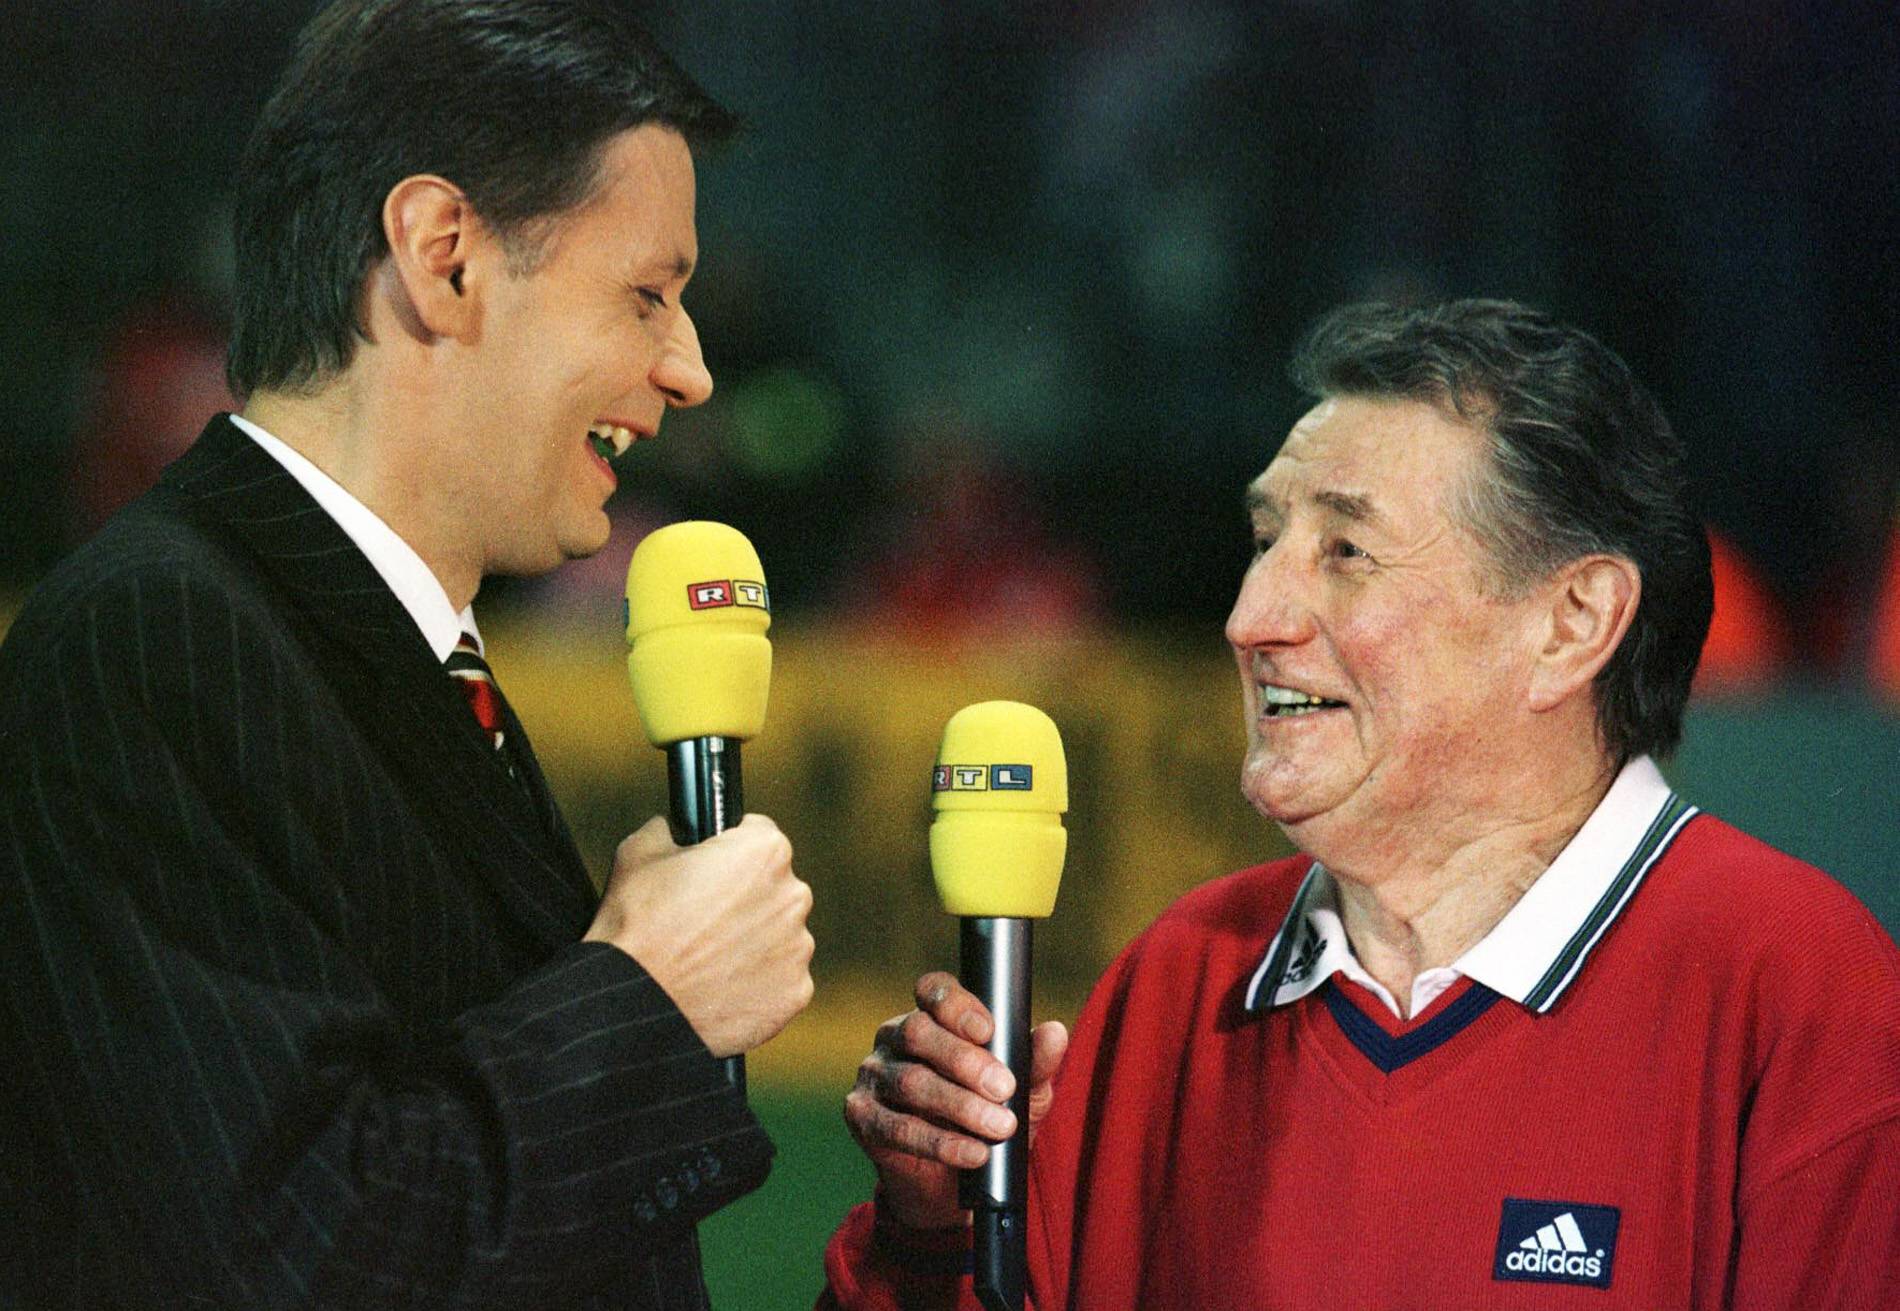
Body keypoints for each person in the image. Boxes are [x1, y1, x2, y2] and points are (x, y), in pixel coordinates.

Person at [821, 300, 1900, 1308]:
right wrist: (926, 1242)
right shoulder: (1178, 983)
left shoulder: (1801, 995)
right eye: (1263, 543)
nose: (1251, 617)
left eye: (1344, 551)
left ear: (1571, 622)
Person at [0, 2, 815, 1307]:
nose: (692, 370)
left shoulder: (374, 645)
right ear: (444, 257)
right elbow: (291, 1251)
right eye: (648, 294)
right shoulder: (151, 640)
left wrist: (920, 1237)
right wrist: (641, 997)